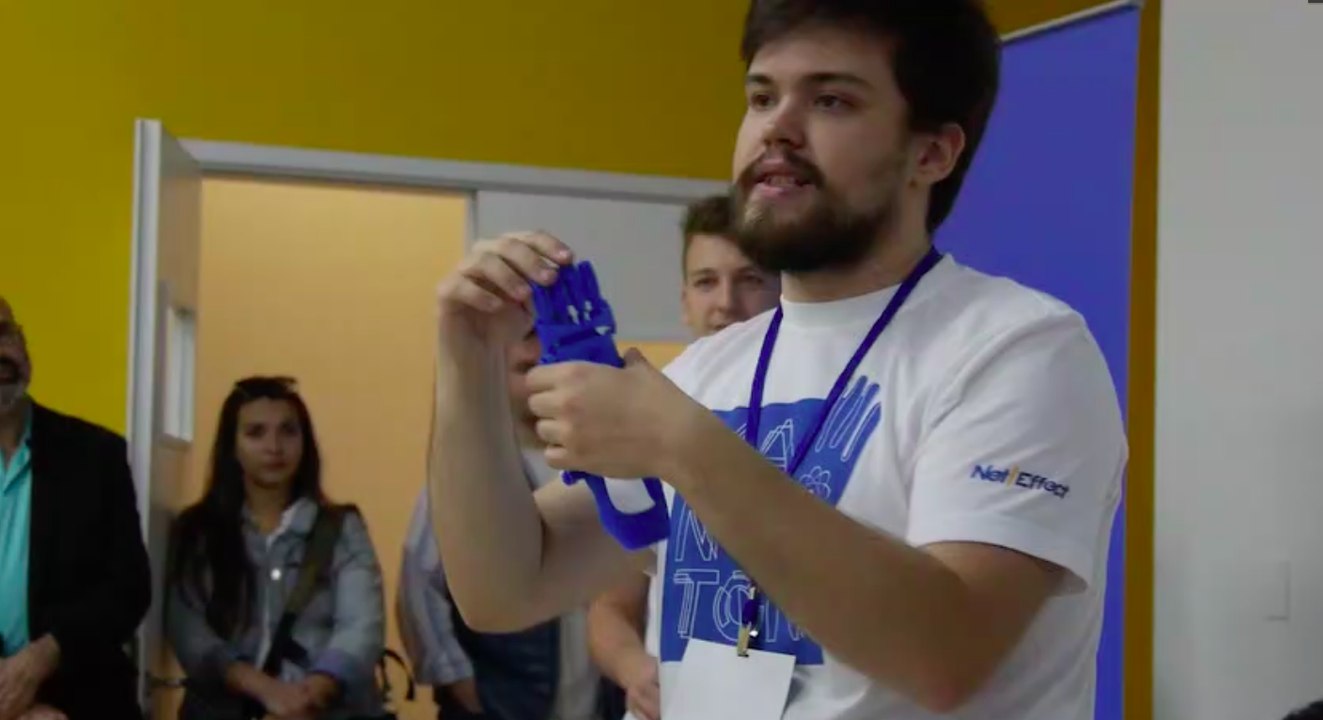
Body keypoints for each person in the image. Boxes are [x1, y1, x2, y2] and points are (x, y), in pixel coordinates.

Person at [428, 0, 1127, 718]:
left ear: (932, 153)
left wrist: (680, 443)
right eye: (761, 98)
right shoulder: (708, 371)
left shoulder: (1018, 351)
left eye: (830, 100)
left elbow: (942, 654)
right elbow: (504, 589)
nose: (777, 129)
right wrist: (466, 361)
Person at [587, 194, 780, 720]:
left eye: (749, 279)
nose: (725, 303)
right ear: (684, 300)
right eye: (706, 282)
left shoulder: (821, 418)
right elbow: (610, 606)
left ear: (784, 289)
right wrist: (634, 669)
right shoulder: (644, 418)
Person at [397, 327, 601, 720]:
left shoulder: (600, 468)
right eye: (527, 367)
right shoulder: (474, 472)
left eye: (552, 361)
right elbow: (419, 584)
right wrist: (457, 679)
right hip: (500, 703)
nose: (543, 375)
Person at [166, 376, 386, 720]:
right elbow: (189, 629)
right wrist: (261, 688)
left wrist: (316, 689)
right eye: (256, 433)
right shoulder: (198, 531)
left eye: (288, 431)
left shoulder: (341, 527)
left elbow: (362, 624)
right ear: (231, 445)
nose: (274, 447)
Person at [0, 296, 151, 720]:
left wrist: (48, 652)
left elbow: (129, 587)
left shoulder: (95, 454)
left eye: (4, 332)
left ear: (23, 343)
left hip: (83, 702)